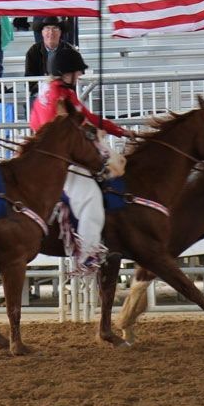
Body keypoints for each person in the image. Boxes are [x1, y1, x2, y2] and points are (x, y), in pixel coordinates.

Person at [28, 48, 136, 271]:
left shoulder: (61, 93)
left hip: (60, 158)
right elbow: (60, 134)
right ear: (64, 72)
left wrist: (119, 131)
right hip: (58, 162)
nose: (78, 77)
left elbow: (88, 118)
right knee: (91, 196)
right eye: (76, 73)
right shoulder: (56, 97)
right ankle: (87, 254)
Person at [25, 16, 79, 98]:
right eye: (47, 28)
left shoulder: (71, 50)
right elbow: (29, 80)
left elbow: (77, 77)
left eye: (55, 28)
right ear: (42, 32)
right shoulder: (33, 51)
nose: (51, 32)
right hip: (41, 95)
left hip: (64, 95)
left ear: (60, 32)